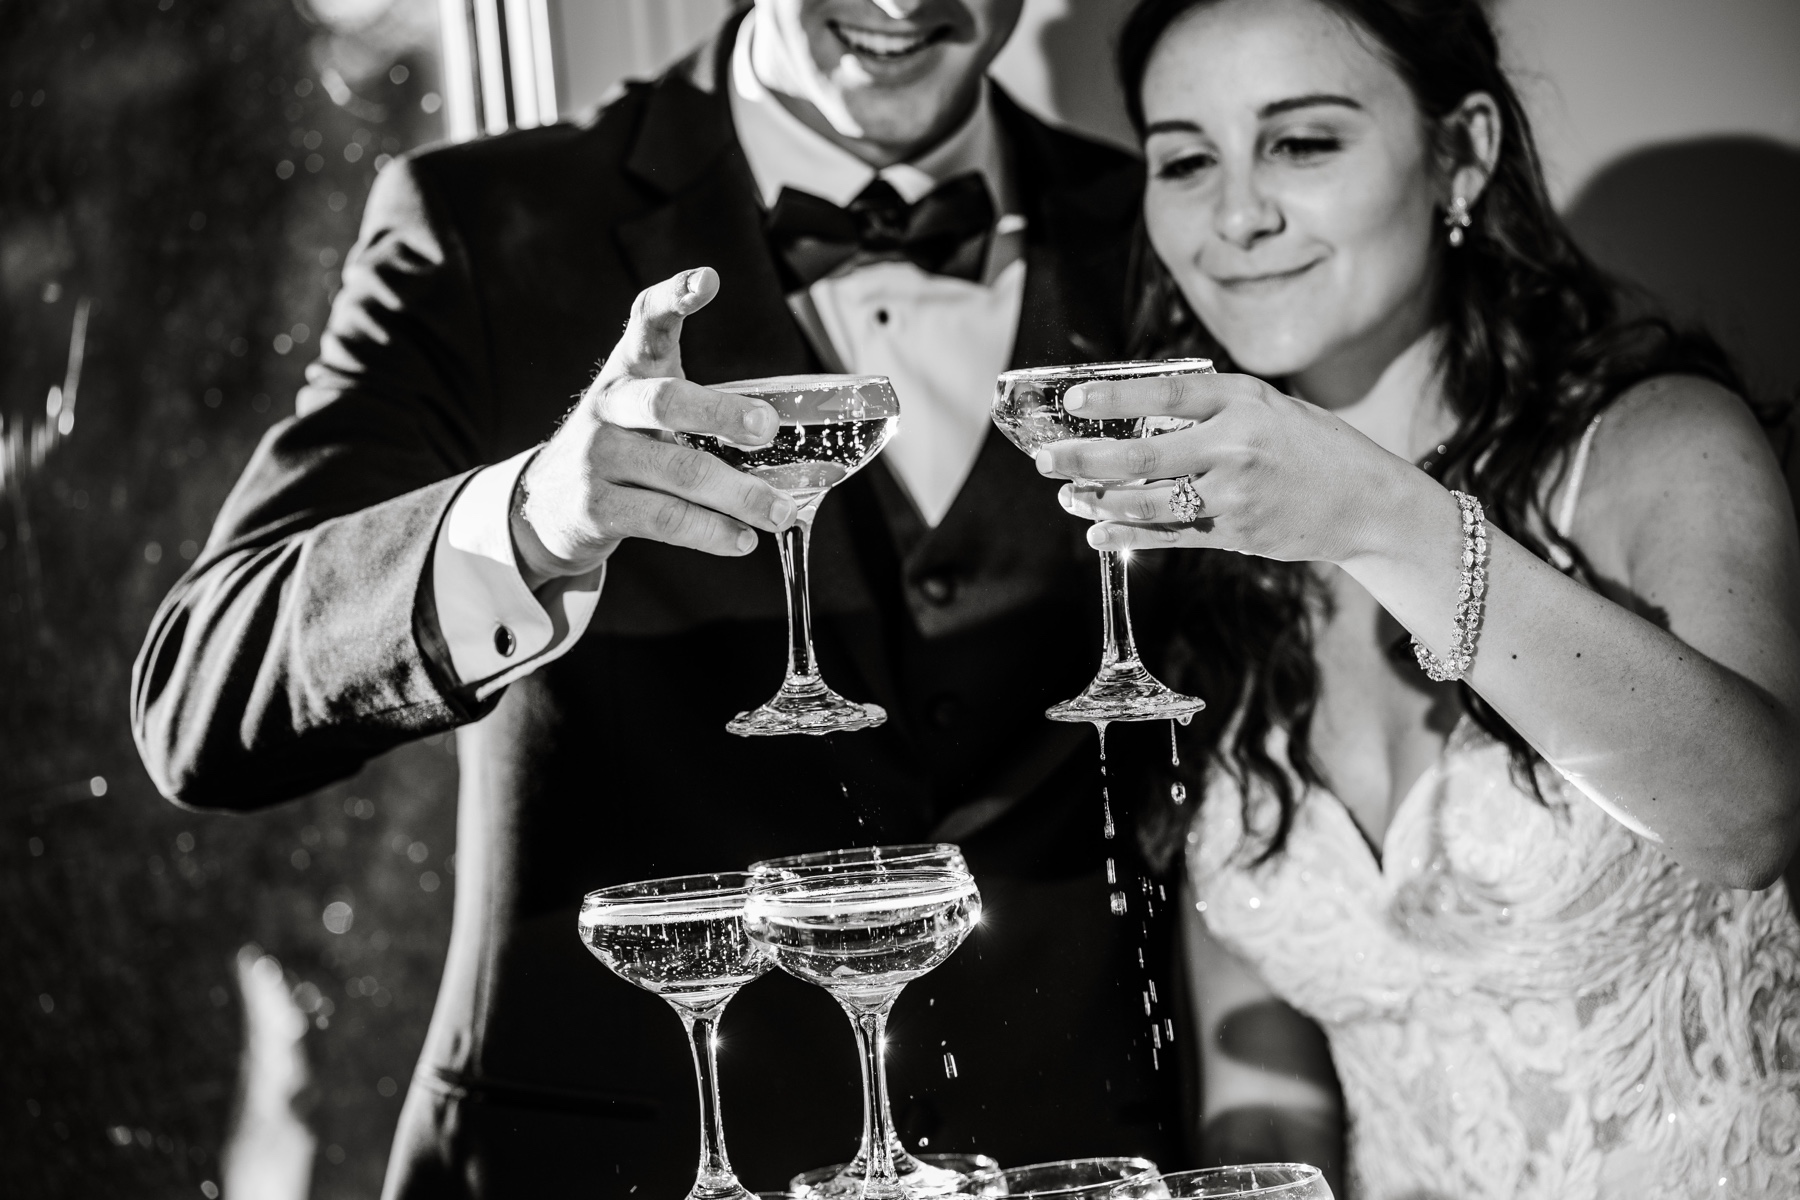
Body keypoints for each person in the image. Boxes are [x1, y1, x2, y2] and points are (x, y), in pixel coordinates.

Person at [132, 0, 1198, 1195]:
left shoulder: (1175, 215)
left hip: (1068, 1156)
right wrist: (530, 519)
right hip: (612, 1162)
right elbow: (198, 694)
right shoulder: (487, 226)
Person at [1036, 0, 1800, 1196]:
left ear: (1465, 151)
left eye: (1303, 143)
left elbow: (1750, 818)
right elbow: (1266, 1082)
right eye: (1186, 160)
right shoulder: (1194, 566)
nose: (1238, 216)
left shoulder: (1656, 449)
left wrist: (1384, 521)